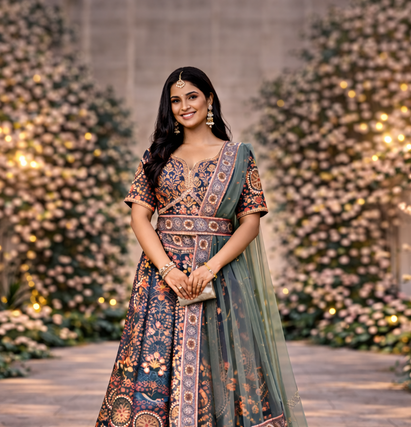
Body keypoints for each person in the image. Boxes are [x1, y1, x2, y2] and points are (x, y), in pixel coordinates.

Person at [95, 66, 307, 427]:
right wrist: (169, 270)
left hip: (222, 276)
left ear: (209, 99)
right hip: (162, 279)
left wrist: (211, 267)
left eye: (191, 96)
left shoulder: (239, 156)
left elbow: (250, 223)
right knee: (155, 361)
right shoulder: (155, 156)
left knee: (224, 362)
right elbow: (139, 219)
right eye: (175, 100)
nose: (184, 106)